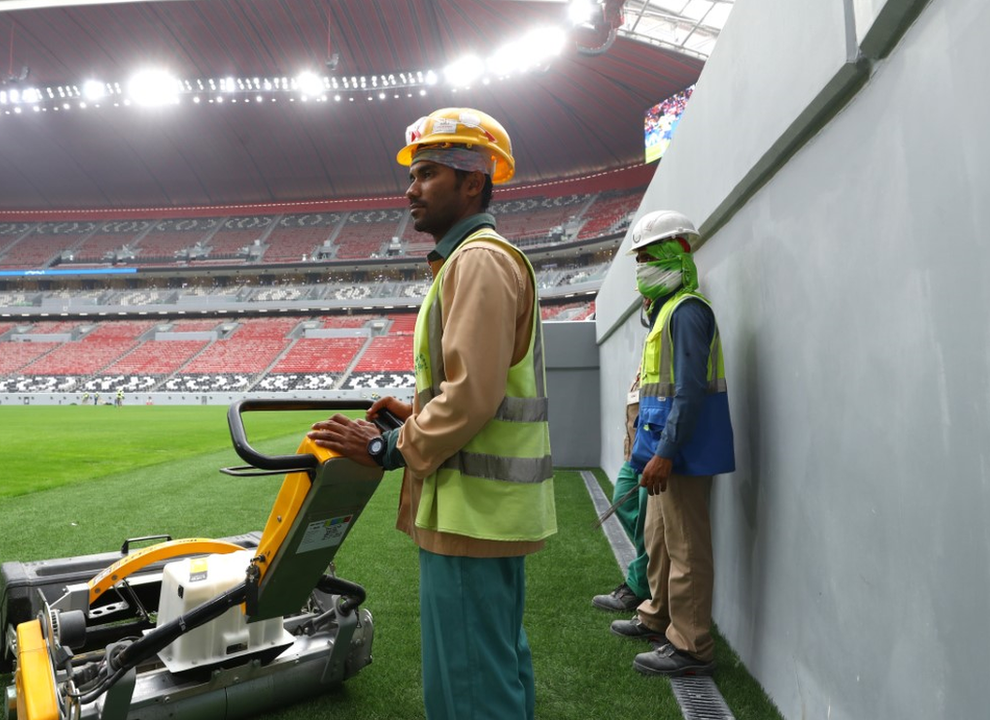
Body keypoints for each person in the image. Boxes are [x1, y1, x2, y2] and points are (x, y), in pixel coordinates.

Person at [308, 107, 556, 720]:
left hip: (472, 511)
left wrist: (382, 446)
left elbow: (473, 396)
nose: (410, 190)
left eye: (427, 174)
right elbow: (472, 385)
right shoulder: (474, 260)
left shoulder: (478, 261)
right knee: (495, 665)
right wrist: (415, 408)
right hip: (482, 512)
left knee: (469, 686)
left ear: (473, 182)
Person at [608, 210, 735, 677]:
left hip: (682, 454)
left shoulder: (687, 312)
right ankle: (657, 615)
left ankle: (692, 645)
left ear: (675, 253)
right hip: (666, 451)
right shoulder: (667, 313)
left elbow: (688, 392)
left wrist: (664, 454)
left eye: (647, 256)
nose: (640, 266)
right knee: (658, 540)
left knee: (686, 550)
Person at [592, 371, 652, 613]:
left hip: (653, 452)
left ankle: (639, 587)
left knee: (650, 526)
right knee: (624, 502)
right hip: (634, 454)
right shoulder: (647, 352)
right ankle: (648, 577)